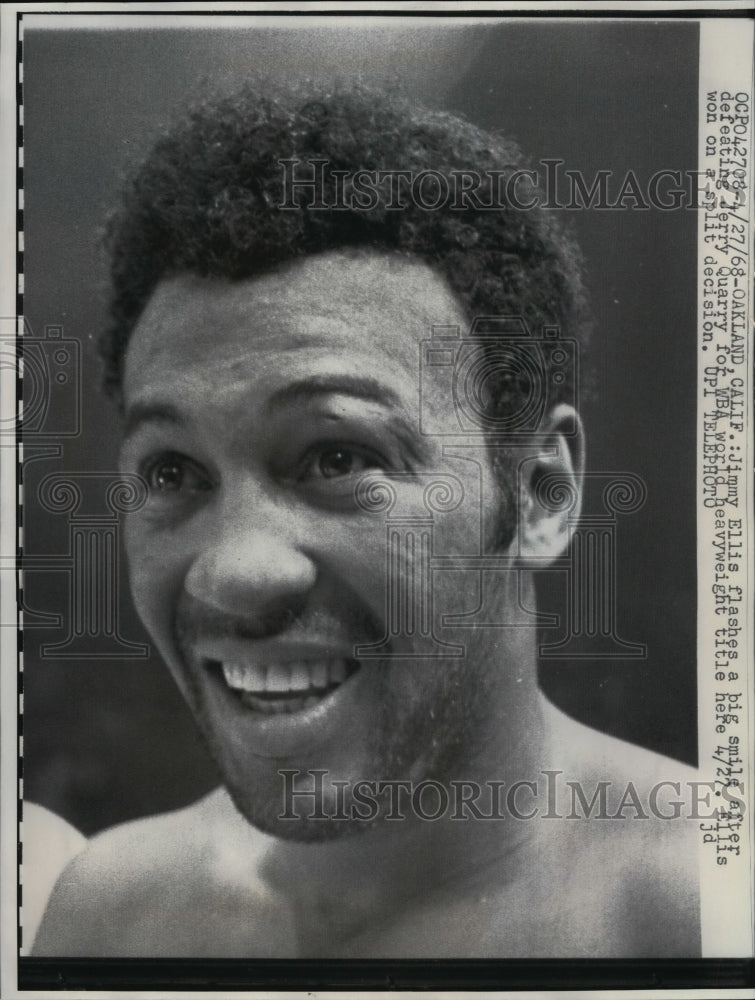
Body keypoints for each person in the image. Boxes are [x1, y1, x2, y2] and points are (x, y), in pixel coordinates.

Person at [33, 83, 700, 958]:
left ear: (540, 493)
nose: (233, 573)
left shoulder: (700, 908)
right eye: (174, 470)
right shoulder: (111, 914)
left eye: (336, 458)